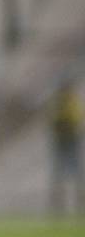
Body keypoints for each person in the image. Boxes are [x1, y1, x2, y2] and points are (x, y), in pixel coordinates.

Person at [51, 80, 82, 215]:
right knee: (60, 172)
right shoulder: (60, 104)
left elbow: (77, 119)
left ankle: (77, 199)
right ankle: (60, 202)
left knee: (73, 171)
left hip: (70, 139)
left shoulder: (70, 103)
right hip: (63, 140)